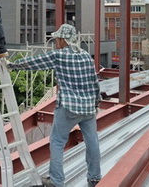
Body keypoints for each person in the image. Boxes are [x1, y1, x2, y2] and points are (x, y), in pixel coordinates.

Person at [7, 24, 101, 187]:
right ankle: (95, 178)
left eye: (58, 38)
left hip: (68, 107)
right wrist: (96, 103)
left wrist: (12, 65)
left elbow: (34, 62)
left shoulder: (59, 56)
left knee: (57, 141)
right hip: (88, 107)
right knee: (92, 141)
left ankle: (57, 181)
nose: (56, 41)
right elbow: (94, 82)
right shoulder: (87, 56)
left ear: (63, 40)